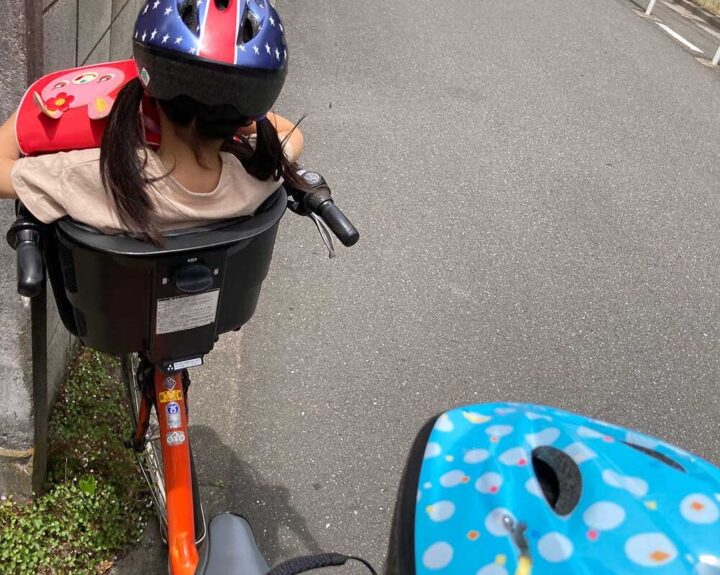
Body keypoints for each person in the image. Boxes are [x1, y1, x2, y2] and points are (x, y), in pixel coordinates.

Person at [0, 0, 306, 245]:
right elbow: (292, 136)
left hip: (111, 316)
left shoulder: (95, 175)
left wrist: (27, 114)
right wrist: (226, 102)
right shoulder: (259, 175)